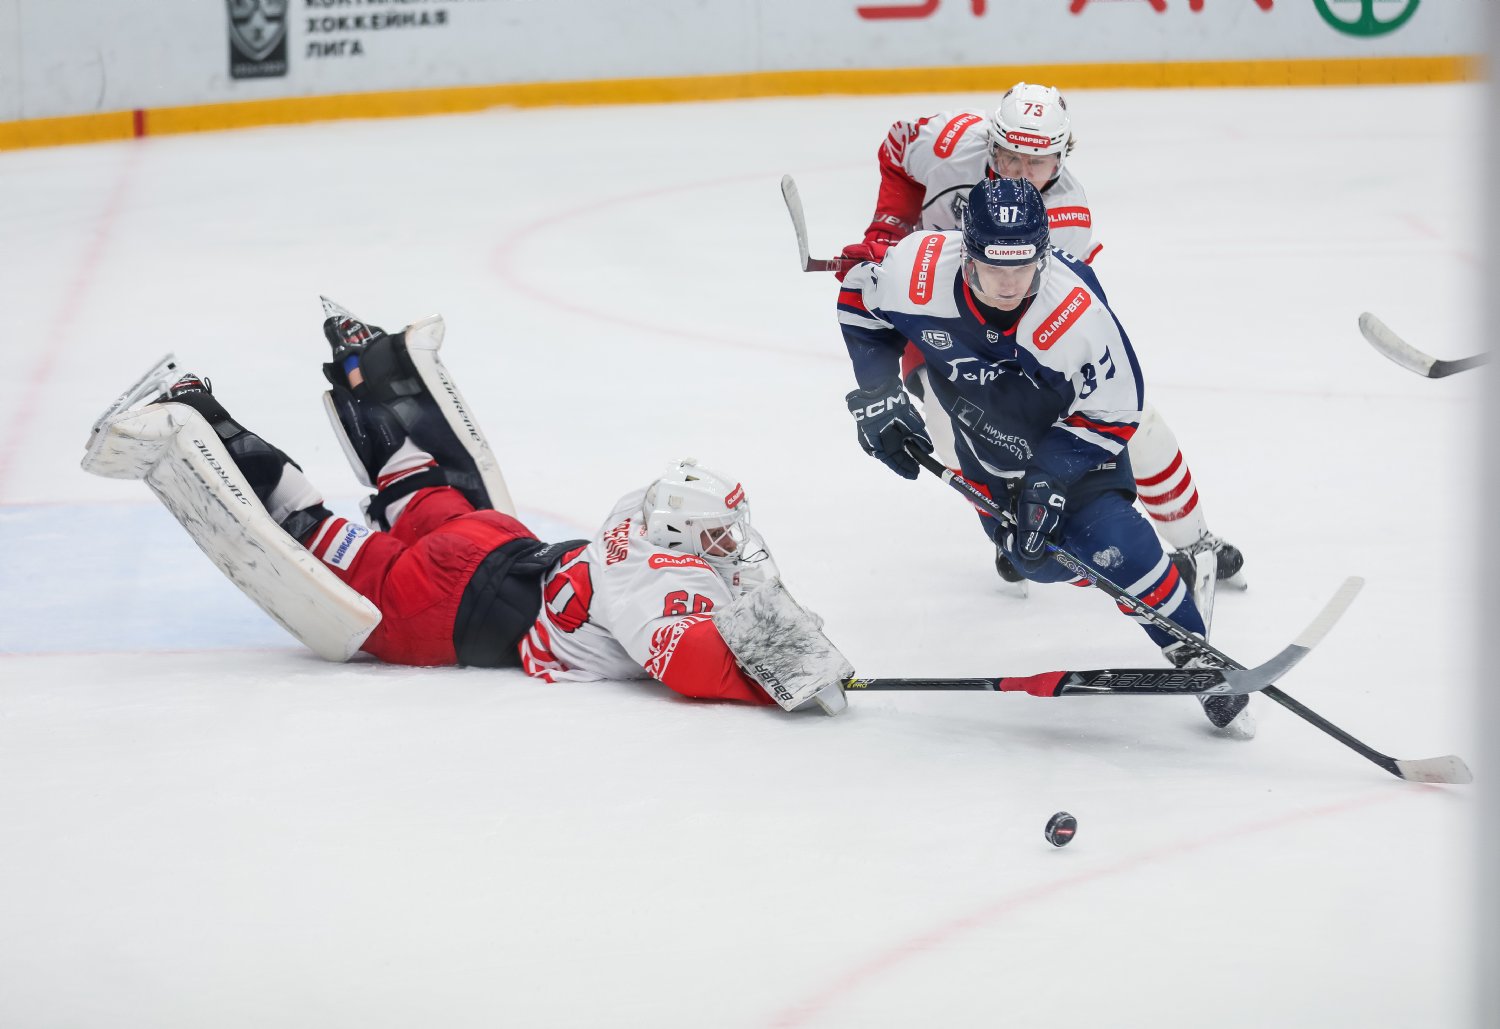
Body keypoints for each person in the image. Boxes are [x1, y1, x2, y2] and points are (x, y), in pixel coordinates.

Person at [82, 301, 850, 715]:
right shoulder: (654, 586)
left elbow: (719, 602)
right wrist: (796, 673)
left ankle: (366, 365)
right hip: (442, 605)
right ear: (680, 532)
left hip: (487, 540)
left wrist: (786, 632)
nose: (728, 544)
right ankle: (201, 414)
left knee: (414, 483)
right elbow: (686, 664)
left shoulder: (635, 513)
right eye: (717, 534)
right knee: (309, 531)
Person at [836, 176, 1252, 738]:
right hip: (987, 452)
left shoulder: (1075, 311)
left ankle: (1193, 650)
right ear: (967, 255)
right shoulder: (916, 270)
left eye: (1024, 268)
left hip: (1074, 447)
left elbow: (1116, 410)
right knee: (1034, 558)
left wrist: (1050, 476)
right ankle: (1145, 580)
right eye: (994, 268)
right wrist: (879, 393)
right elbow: (859, 301)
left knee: (1116, 543)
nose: (1010, 285)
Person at [837, 82, 1245, 590]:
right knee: (951, 435)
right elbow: (899, 149)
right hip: (935, 319)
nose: (1020, 172)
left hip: (1025, 344)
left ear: (1062, 157)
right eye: (1010, 156)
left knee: (1134, 424)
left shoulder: (1067, 218)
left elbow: (1052, 318)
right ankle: (1017, 530)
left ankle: (1195, 540)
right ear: (990, 143)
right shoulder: (950, 141)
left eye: (1037, 162)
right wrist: (888, 234)